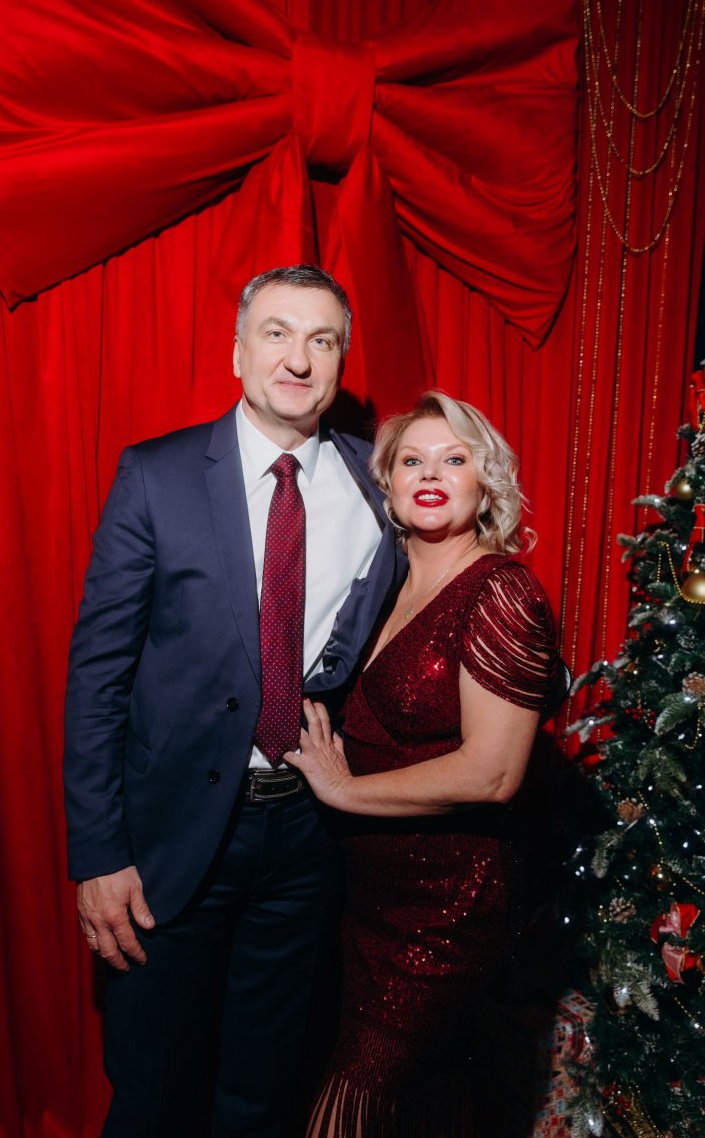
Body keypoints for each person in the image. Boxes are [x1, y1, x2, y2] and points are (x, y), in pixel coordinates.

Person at [63, 265, 401, 1138]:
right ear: (238, 352)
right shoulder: (157, 476)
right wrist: (99, 854)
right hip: (171, 839)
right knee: (153, 1092)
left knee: (263, 1091)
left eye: (322, 340)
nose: (299, 359)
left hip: (309, 837)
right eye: (277, 333)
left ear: (340, 362)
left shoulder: (379, 484)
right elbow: (98, 676)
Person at [283, 391, 561, 1138]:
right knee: (429, 1106)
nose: (430, 474)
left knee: (348, 1106)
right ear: (389, 485)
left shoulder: (501, 591)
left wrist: (343, 789)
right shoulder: (388, 589)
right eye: (412, 460)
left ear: (486, 484)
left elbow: (493, 773)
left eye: (454, 459)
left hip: (449, 910)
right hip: (371, 900)